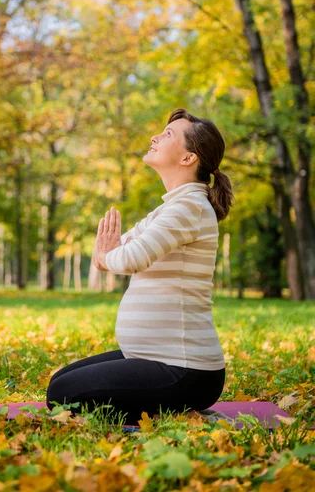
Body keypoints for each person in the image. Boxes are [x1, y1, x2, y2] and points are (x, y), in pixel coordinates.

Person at [46, 107, 235, 425]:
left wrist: (106, 257)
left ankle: (181, 413)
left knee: (63, 396)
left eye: (168, 134)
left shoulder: (189, 208)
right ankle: (179, 411)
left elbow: (130, 258)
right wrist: (107, 254)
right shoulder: (173, 207)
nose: (155, 137)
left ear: (189, 158)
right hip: (154, 359)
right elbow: (121, 248)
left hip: (185, 371)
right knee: (60, 383)